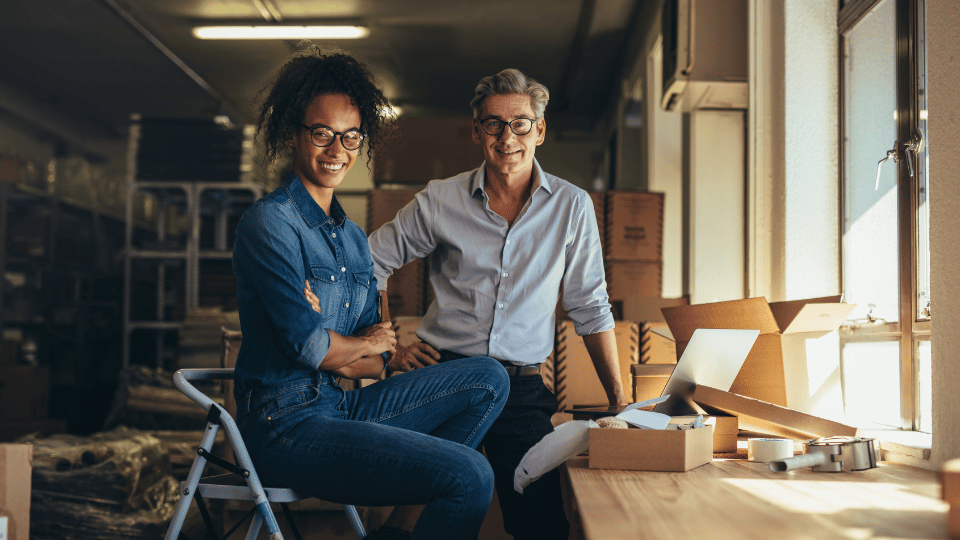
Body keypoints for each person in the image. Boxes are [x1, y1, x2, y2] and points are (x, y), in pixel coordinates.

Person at [231, 50, 509, 540]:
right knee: (471, 475)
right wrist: (350, 344)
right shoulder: (270, 224)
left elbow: (374, 364)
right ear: (293, 134)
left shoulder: (354, 239)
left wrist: (342, 344)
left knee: (488, 378)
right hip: (283, 425)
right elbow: (310, 347)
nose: (337, 148)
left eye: (351, 135)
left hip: (336, 408)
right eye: (322, 133)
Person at [365, 68, 628, 540]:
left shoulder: (572, 207)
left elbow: (589, 305)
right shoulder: (440, 200)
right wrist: (390, 349)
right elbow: (369, 263)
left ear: (540, 130)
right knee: (418, 522)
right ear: (476, 131)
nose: (507, 137)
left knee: (543, 525)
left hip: (521, 389)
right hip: (444, 379)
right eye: (493, 124)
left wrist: (621, 403)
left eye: (520, 123)